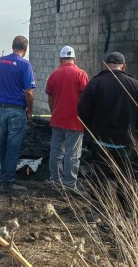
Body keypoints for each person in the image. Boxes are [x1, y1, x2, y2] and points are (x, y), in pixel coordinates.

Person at [78, 52, 138, 212]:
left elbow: (82, 111)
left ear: (105, 65)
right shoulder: (135, 85)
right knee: (125, 178)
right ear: (123, 66)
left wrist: (90, 133)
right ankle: (128, 211)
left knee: (99, 178)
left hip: (100, 141)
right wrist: (137, 137)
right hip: (126, 143)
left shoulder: (95, 84)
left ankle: (98, 210)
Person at [0, 35, 36, 193]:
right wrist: (30, 111)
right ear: (25, 49)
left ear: (12, 46)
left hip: (1, 108)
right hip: (17, 110)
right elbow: (29, 92)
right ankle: (8, 183)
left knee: (2, 145)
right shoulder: (25, 65)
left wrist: (0, 102)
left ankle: (3, 177)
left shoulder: (0, 61)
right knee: (13, 147)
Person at [45, 45, 89, 191]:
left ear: (60, 59)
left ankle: (55, 181)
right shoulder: (81, 74)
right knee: (72, 153)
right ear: (74, 59)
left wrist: (54, 112)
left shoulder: (54, 75)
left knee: (56, 151)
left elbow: (50, 99)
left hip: (57, 119)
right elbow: (85, 98)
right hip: (75, 121)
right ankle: (69, 185)